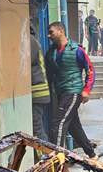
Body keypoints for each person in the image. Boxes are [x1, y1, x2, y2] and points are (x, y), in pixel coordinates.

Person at [44, 21, 97, 160]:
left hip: (73, 92)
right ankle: (92, 154)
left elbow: (90, 70)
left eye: (51, 32)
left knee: (58, 123)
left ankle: (56, 157)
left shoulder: (76, 50)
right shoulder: (51, 53)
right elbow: (49, 74)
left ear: (61, 31)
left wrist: (86, 90)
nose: (48, 36)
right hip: (60, 93)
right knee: (74, 127)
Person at [30, 25, 50, 141]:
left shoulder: (30, 41)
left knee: (37, 130)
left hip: (37, 92)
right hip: (39, 92)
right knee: (37, 127)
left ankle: (46, 156)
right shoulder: (34, 41)